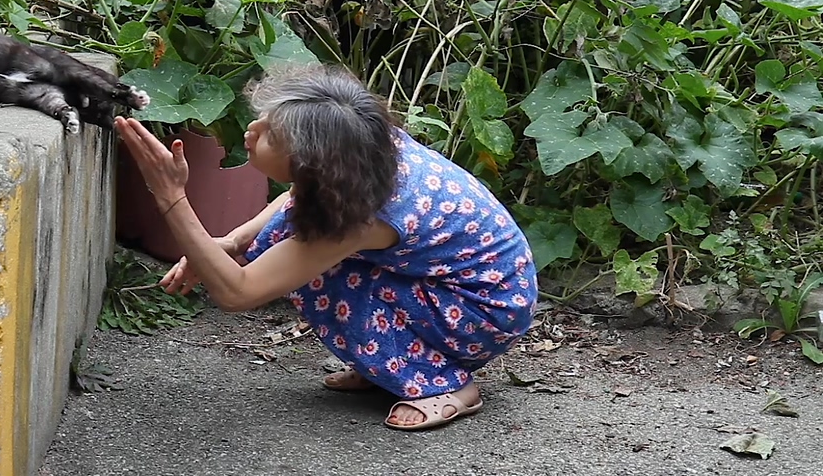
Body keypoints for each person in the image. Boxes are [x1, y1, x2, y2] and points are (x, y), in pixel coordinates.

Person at [112, 63, 538, 432]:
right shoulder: (360, 146)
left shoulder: (363, 217)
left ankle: (444, 384)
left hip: (482, 311)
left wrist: (170, 196)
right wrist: (231, 242)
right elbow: (299, 197)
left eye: (271, 136)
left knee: (323, 276)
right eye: (265, 119)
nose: (252, 130)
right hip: (475, 283)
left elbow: (238, 291)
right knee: (284, 241)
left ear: (311, 163)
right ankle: (387, 365)